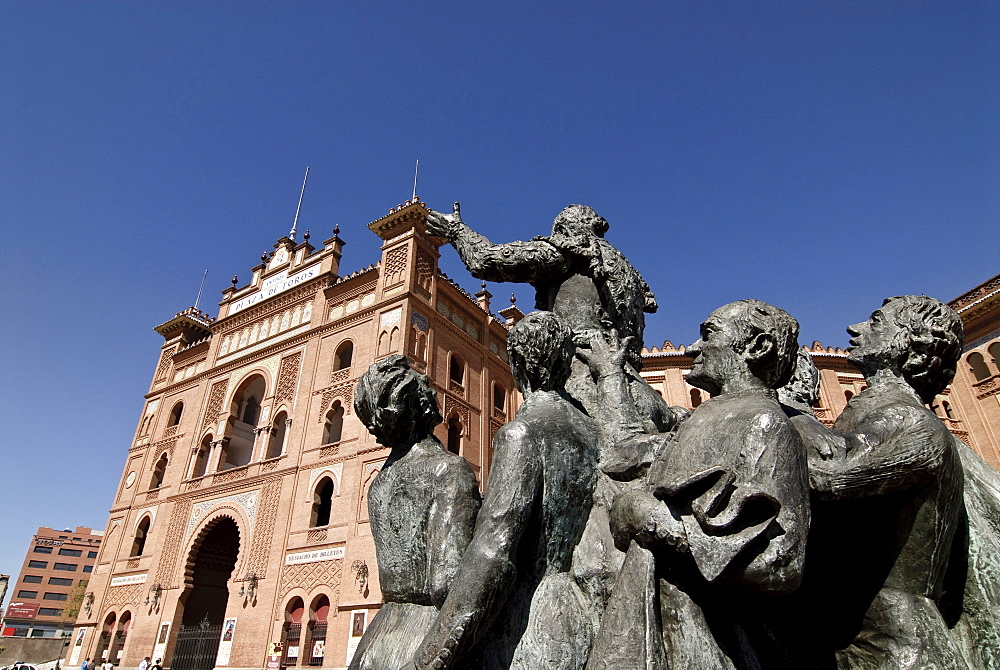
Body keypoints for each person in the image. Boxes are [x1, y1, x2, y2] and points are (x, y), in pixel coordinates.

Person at [604, 299, 810, 669]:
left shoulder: (765, 424)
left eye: (708, 334)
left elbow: (782, 563)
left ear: (756, 347)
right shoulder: (702, 418)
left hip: (716, 641)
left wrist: (651, 519)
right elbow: (624, 451)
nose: (693, 348)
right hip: (660, 623)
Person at [411, 311, 601, 670]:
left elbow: (492, 554)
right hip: (582, 614)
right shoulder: (593, 431)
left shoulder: (522, 434)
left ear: (517, 365)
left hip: (530, 624)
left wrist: (427, 660)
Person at [800, 296, 966, 669]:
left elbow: (827, 480)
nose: (855, 329)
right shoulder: (873, 417)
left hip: (895, 648)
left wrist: (775, 411)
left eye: (876, 321)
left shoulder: (910, 422)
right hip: (858, 634)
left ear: (916, 352)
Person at [425, 203, 682, 442]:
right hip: (634, 385)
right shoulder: (623, 269)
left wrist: (456, 230)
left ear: (563, 230)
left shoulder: (569, 252)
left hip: (580, 370)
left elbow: (486, 260)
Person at [347, 356, 482, 670]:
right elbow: (448, 583)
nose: (433, 393)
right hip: (422, 637)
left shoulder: (378, 485)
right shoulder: (448, 471)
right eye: (425, 388)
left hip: (377, 641)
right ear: (415, 403)